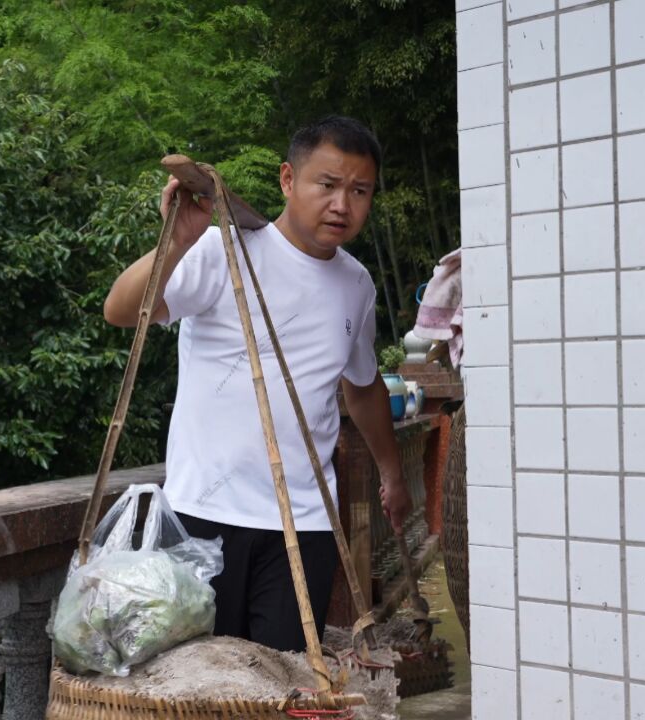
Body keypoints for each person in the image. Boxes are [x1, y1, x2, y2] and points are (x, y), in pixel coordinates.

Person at [102, 115, 410, 652]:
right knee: (199, 687)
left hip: (306, 523)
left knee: (285, 683)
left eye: (360, 191)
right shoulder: (227, 252)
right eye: (328, 185)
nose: (343, 204)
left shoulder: (357, 284)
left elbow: (361, 390)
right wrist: (176, 239)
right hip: (204, 515)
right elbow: (122, 310)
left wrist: (392, 474)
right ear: (288, 180)